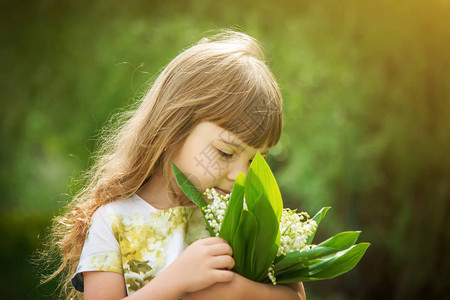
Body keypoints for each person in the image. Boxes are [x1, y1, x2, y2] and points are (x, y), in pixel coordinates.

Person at [45, 30, 306, 299]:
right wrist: (175, 281)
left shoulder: (247, 217)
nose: (241, 176)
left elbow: (294, 296)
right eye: (226, 153)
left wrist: (234, 290)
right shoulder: (114, 221)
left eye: (255, 160)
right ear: (175, 127)